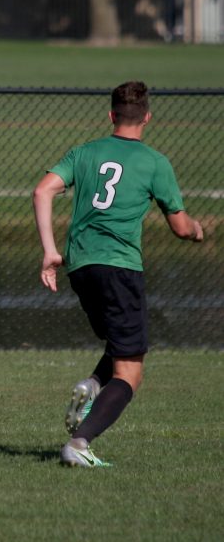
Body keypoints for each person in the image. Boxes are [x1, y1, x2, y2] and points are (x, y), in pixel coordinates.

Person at [32, 81, 204, 468]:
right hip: (120, 267)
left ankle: (92, 384)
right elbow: (180, 227)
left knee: (124, 344)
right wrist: (196, 229)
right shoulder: (155, 162)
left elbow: (43, 191)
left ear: (111, 116)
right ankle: (79, 443)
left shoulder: (85, 152)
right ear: (147, 117)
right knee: (131, 371)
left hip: (80, 266)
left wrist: (49, 252)